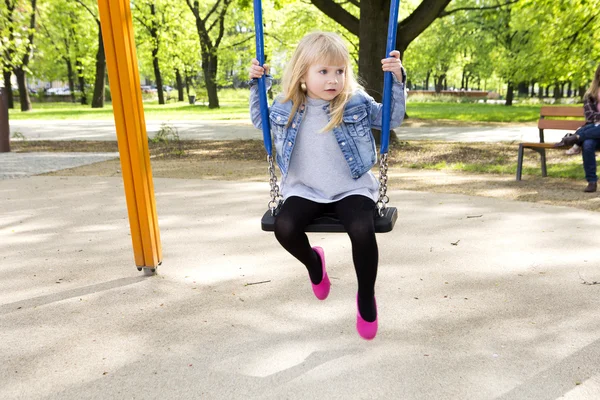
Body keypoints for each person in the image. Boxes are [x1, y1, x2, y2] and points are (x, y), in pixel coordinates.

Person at [248, 32, 406, 340]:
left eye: (339, 71)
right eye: (323, 71)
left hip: (351, 187)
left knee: (361, 229)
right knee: (285, 227)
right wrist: (257, 84)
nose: (333, 79)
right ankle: (314, 263)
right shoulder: (286, 106)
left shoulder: (355, 102)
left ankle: (364, 297)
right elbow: (260, 121)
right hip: (305, 188)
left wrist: (397, 79)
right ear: (302, 74)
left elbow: (392, 119)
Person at [555, 63, 600, 192]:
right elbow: (590, 116)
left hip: (593, 129)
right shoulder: (591, 94)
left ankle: (577, 138)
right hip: (595, 131)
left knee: (586, 136)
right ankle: (592, 181)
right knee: (588, 144)